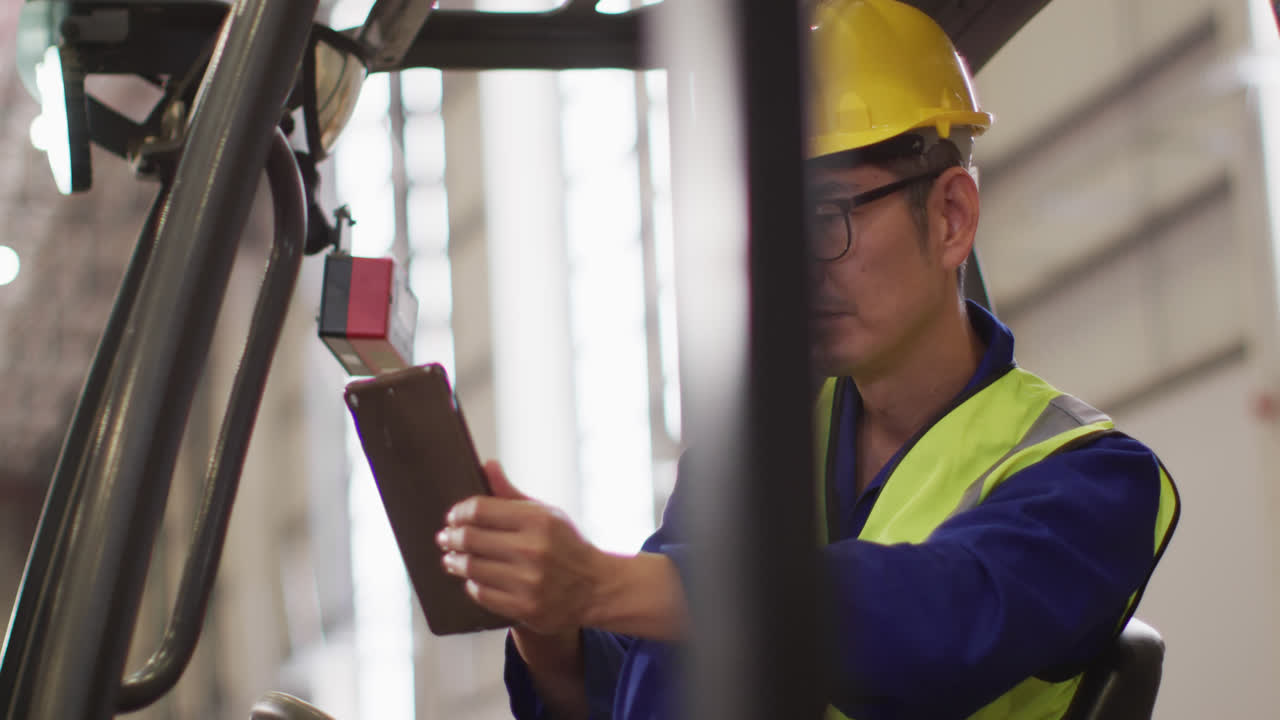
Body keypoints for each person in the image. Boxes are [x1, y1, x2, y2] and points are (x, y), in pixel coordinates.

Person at [434, 0, 1180, 717]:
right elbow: (625, 683)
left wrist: (603, 585)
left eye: (825, 219)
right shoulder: (749, 457)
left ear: (951, 217)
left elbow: (938, 622)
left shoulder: (1092, 478)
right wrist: (545, 617)